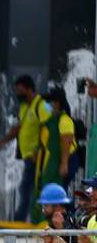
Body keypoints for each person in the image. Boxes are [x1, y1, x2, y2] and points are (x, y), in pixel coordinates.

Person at [0, 75, 50, 223]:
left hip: (39, 157)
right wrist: (1, 143)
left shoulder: (42, 105)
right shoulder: (24, 107)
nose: (18, 94)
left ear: (29, 89)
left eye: (20, 90)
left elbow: (49, 128)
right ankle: (25, 219)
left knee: (28, 188)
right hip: (28, 157)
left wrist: (39, 149)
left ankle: (23, 219)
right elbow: (18, 128)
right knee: (27, 188)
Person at [32, 90, 76, 224]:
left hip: (66, 160)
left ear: (57, 103)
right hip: (54, 161)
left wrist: (64, 163)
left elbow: (66, 141)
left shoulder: (64, 120)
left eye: (49, 102)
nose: (47, 105)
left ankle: (67, 223)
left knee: (60, 194)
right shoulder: (51, 120)